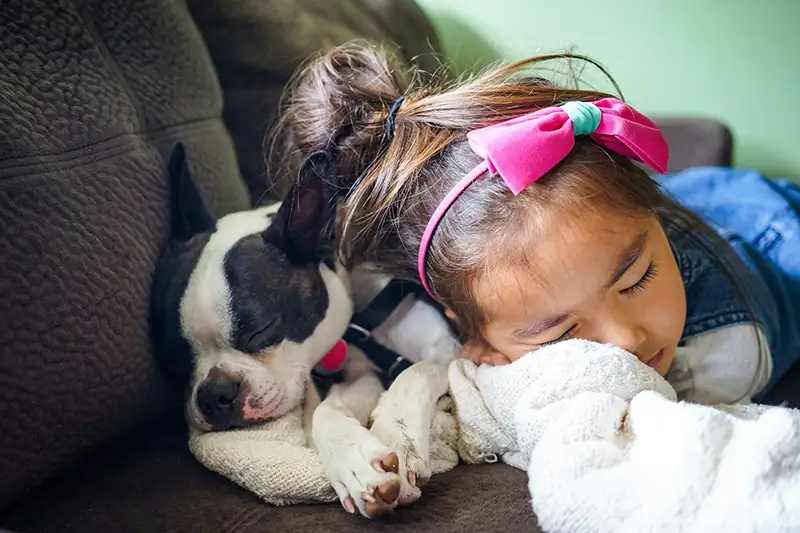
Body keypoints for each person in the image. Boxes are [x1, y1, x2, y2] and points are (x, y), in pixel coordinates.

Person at [273, 42, 800, 405]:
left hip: (765, 224)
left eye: (637, 277)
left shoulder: (728, 355)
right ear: (468, 327)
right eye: (561, 332)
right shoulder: (471, 273)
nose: (626, 338)